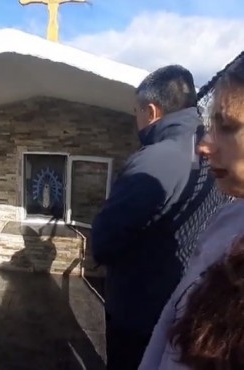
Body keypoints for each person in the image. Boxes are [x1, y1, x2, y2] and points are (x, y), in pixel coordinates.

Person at [91, 65, 230, 370]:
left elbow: (102, 241)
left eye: (137, 112)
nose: (136, 120)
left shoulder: (156, 159)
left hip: (137, 310)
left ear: (151, 111)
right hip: (177, 297)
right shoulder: (207, 149)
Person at [139, 52, 244, 370]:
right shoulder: (227, 219)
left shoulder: (149, 160)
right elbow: (171, 318)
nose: (204, 145)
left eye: (226, 126)